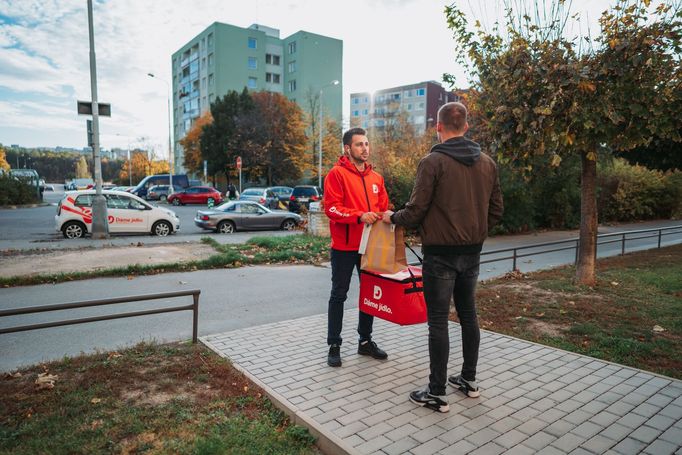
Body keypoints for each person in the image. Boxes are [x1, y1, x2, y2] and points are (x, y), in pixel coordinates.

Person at [382, 102, 503, 412]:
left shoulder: (432, 162)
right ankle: (469, 380)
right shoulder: (488, 163)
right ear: (466, 127)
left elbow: (416, 210)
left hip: (440, 256)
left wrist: (391, 218)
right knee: (468, 314)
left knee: (437, 321)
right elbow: (497, 211)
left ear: (438, 126)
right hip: (472, 253)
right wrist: (475, 231)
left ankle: (436, 393)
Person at [323, 127, 390, 367]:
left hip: (369, 247)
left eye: (367, 144)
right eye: (359, 144)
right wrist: (359, 215)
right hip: (344, 246)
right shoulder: (336, 174)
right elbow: (331, 208)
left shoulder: (376, 178)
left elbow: (383, 208)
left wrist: (389, 217)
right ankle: (334, 344)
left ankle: (365, 342)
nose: (365, 148)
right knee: (338, 295)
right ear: (347, 148)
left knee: (369, 295)